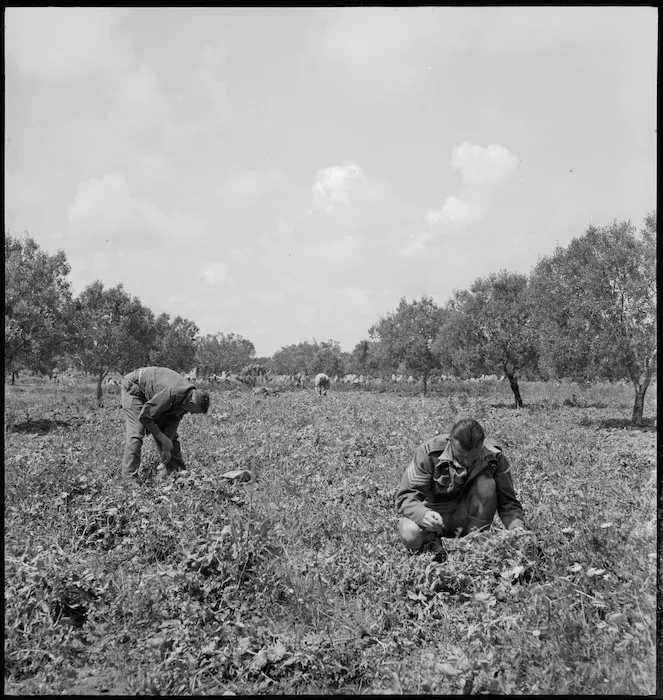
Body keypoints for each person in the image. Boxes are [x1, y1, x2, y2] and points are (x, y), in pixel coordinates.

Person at [396, 418, 526, 553]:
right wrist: (423, 514)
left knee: (486, 484)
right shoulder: (429, 453)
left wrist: (518, 531)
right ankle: (431, 548)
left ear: (482, 445)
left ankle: (476, 546)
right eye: (460, 456)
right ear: (450, 441)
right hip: (434, 518)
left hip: (468, 518)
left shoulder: (494, 459)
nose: (466, 462)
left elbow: (509, 503)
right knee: (410, 532)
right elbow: (406, 496)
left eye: (472, 457)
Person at [120, 366, 210, 481]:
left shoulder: (187, 397)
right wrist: (163, 439)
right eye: (193, 411)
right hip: (134, 388)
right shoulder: (171, 392)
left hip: (153, 394)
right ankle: (129, 479)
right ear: (192, 402)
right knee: (136, 432)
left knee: (169, 436)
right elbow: (145, 417)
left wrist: (166, 446)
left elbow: (173, 420)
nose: (191, 413)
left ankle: (177, 472)